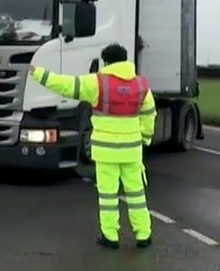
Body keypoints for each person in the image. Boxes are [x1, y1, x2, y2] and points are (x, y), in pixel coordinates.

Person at [29, 43, 156, 249]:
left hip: (106, 152)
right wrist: (145, 137)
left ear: (106, 62)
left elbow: (65, 85)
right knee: (137, 194)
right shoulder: (141, 86)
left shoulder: (98, 83)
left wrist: (37, 73)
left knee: (108, 196)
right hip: (132, 151)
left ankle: (110, 236)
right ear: (125, 60)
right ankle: (143, 234)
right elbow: (150, 114)